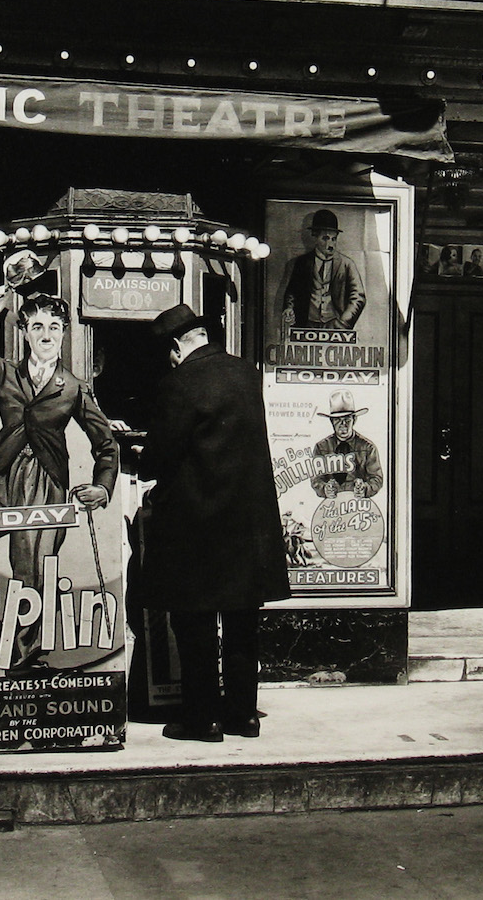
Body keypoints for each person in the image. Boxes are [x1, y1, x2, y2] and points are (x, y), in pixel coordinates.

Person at [0, 283, 118, 668]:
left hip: (45, 484)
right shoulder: (5, 372)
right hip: (3, 476)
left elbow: (107, 444)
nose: (46, 335)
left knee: (32, 569)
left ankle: (26, 658)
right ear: (24, 332)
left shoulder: (75, 388)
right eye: (37, 327)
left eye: (54, 327)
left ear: (64, 333)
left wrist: (102, 486)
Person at [139, 304, 291, 743]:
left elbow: (156, 459)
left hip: (197, 523)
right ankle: (244, 716)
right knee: (243, 622)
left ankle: (202, 719)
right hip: (248, 523)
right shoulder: (248, 374)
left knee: (195, 623)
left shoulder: (179, 382)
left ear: (175, 346)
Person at [279, 209, 366, 334]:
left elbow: (358, 297)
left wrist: (343, 322)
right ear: (315, 237)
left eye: (333, 239)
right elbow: (292, 290)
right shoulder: (302, 263)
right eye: (325, 238)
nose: (330, 244)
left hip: (335, 325)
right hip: (306, 325)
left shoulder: (347, 264)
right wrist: (289, 308)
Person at [309, 391, 385, 498]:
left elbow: (377, 479)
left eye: (347, 419)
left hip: (360, 506)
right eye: (337, 420)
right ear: (331, 421)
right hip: (329, 508)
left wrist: (365, 488)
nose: (343, 424)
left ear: (354, 420)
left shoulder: (368, 447)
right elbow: (316, 479)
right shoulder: (321, 447)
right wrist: (324, 489)